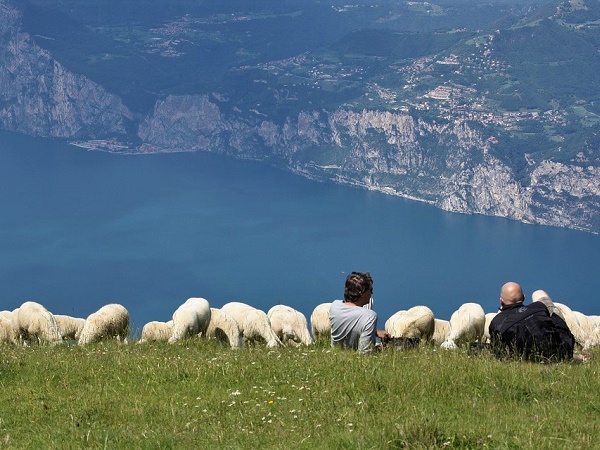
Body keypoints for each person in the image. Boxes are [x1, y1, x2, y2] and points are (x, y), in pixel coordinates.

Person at [488, 282, 575, 361]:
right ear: (523, 297)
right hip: (562, 353)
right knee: (538, 293)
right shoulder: (538, 307)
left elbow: (498, 350)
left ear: (501, 301)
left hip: (528, 359)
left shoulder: (497, 322)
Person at [330, 272, 389, 353]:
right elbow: (365, 353)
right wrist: (382, 348)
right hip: (353, 360)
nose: (372, 293)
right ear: (362, 292)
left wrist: (375, 332)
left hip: (335, 354)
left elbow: (351, 324)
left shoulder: (335, 306)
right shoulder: (370, 316)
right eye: (370, 290)